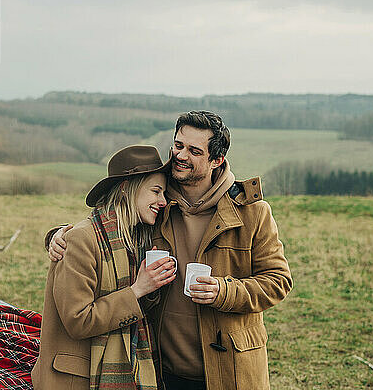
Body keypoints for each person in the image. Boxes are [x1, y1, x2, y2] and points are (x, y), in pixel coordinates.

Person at [48, 111, 293, 390]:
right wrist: (58, 237)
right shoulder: (157, 205)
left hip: (230, 371)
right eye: (178, 145)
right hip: (159, 369)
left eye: (194, 151)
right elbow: (107, 225)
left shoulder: (253, 213)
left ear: (217, 160)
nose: (181, 155)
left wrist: (222, 291)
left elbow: (278, 281)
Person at [32, 145, 177, 390]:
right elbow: (79, 320)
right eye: (155, 191)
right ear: (126, 190)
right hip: (76, 380)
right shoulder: (81, 239)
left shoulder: (134, 240)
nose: (162, 201)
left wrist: (151, 286)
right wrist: (137, 290)